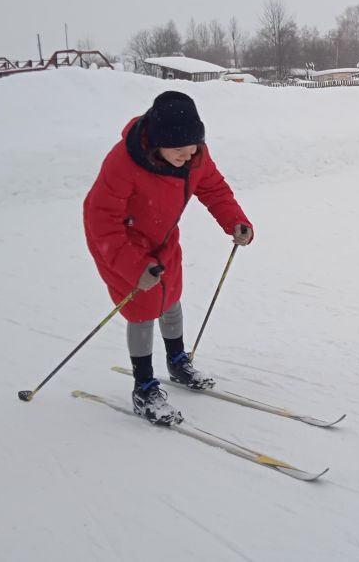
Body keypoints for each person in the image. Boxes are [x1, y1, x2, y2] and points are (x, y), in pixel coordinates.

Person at [83, 91, 253, 424]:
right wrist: (134, 266)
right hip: (123, 243)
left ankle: (177, 362)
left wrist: (235, 220)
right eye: (179, 151)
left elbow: (214, 188)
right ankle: (144, 386)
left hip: (163, 240)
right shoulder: (123, 163)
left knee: (171, 298)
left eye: (193, 149)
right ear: (158, 143)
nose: (188, 157)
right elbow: (100, 219)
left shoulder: (195, 153)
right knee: (143, 310)